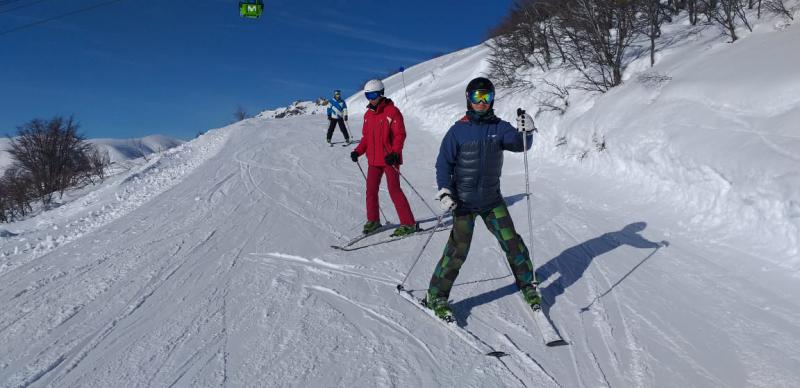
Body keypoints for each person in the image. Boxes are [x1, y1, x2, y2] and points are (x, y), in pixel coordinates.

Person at [424, 77, 538, 321]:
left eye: (487, 96)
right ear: (468, 99)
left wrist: (527, 132)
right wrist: (445, 190)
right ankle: (436, 295)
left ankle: (527, 283)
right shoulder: (457, 131)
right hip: (463, 203)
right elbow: (443, 164)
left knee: (512, 243)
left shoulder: (500, 127)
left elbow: (520, 144)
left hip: (492, 201)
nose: (482, 102)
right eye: (477, 96)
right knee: (457, 251)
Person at [349, 79, 418, 237]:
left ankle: (409, 223)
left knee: (394, 190)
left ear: (381, 94)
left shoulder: (392, 112)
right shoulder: (368, 115)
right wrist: (358, 151)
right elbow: (366, 138)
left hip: (389, 159)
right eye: (367, 96)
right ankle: (373, 220)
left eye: (373, 95)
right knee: (371, 190)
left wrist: (395, 153)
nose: (371, 99)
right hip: (373, 161)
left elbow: (400, 134)